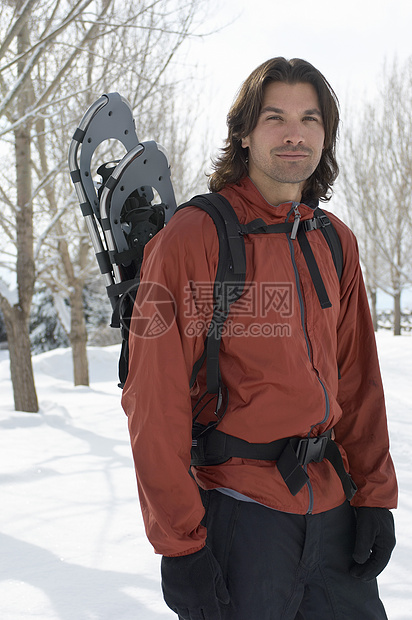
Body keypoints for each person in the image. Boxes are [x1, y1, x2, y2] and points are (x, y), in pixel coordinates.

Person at [122, 57, 398, 620]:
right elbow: (155, 401)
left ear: (326, 134)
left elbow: (359, 379)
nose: (294, 133)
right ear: (244, 133)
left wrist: (374, 495)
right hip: (239, 515)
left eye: (310, 118)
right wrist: (180, 547)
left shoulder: (334, 241)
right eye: (275, 117)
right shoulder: (193, 237)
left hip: (332, 506)